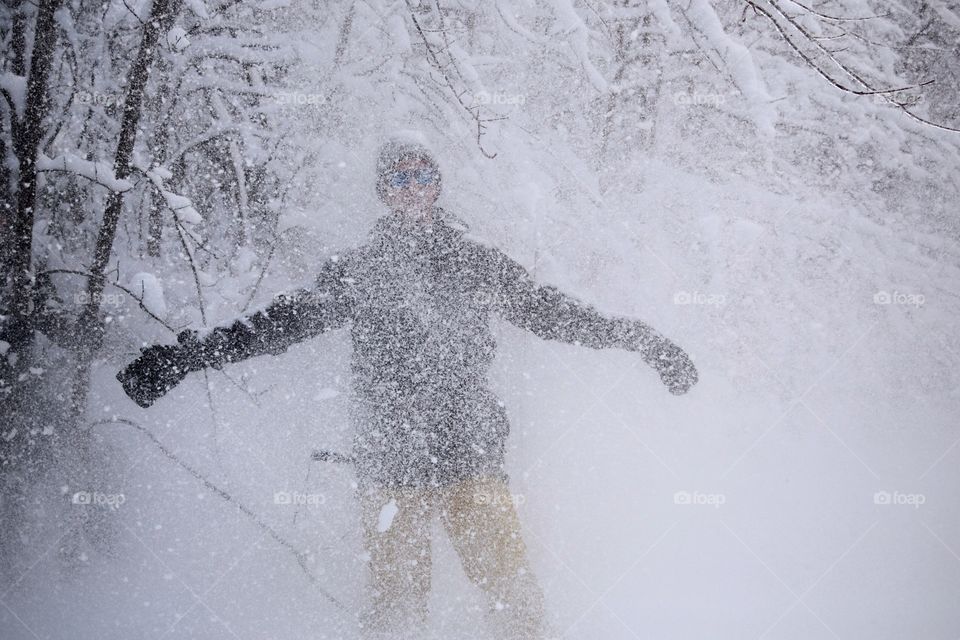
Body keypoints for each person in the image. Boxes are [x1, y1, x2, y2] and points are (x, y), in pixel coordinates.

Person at [117, 133, 699, 639]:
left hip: (471, 455)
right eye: (399, 178)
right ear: (383, 191)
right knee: (394, 614)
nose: (412, 188)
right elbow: (278, 324)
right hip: (390, 462)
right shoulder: (360, 270)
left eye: (423, 176)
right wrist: (185, 358)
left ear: (437, 185)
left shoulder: (475, 262)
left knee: (513, 601)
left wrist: (643, 341)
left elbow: (554, 312)